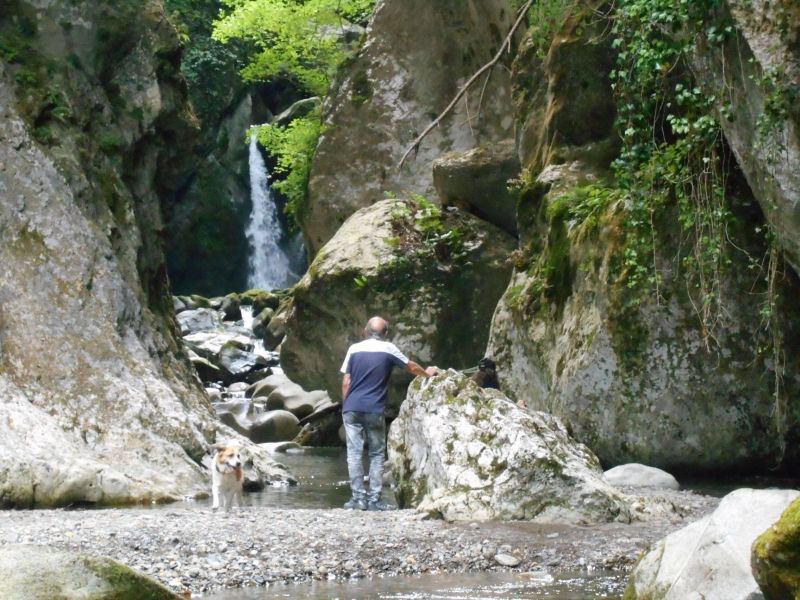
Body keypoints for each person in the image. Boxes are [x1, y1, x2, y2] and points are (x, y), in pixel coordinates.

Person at [340, 316, 438, 511]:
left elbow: (346, 382)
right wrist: (427, 373)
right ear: (385, 334)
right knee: (376, 454)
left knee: (354, 453)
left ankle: (358, 499)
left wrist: (346, 406)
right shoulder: (388, 349)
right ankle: (375, 500)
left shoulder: (354, 349)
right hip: (374, 408)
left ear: (365, 331)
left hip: (351, 407)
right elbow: (410, 367)